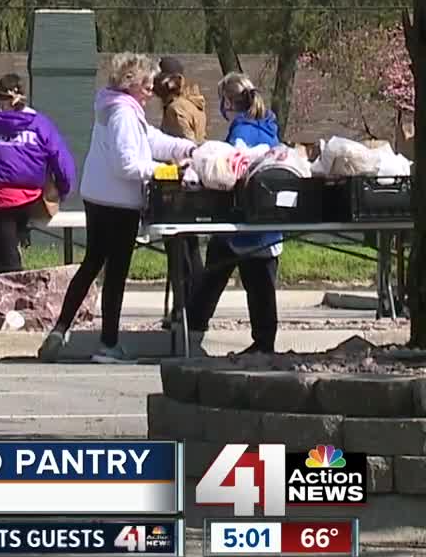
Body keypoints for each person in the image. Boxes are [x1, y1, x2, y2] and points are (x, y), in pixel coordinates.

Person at [40, 53, 197, 364]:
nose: (153, 88)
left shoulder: (116, 108)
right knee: (115, 274)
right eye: (147, 83)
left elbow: (150, 140)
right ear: (132, 83)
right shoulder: (124, 115)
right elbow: (128, 164)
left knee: (91, 265)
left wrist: (186, 148)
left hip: (98, 197)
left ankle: (60, 329)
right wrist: (169, 172)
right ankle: (108, 344)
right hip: (119, 203)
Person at [185, 72, 282, 354]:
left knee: (211, 278)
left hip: (238, 221)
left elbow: (229, 172)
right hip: (268, 226)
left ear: (228, 101)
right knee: (262, 288)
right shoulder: (270, 128)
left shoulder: (240, 131)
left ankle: (191, 332)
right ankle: (264, 343)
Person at [0, 73, 76, 274]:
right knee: (0, 249)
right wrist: (62, 190)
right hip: (30, 199)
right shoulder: (39, 123)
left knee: (6, 255)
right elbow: (61, 159)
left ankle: (5, 298)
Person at [154, 57, 208, 329]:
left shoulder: (175, 110)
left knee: (179, 252)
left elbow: (181, 147)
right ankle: (194, 308)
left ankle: (183, 310)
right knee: (191, 248)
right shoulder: (193, 103)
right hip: (194, 185)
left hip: (179, 187)